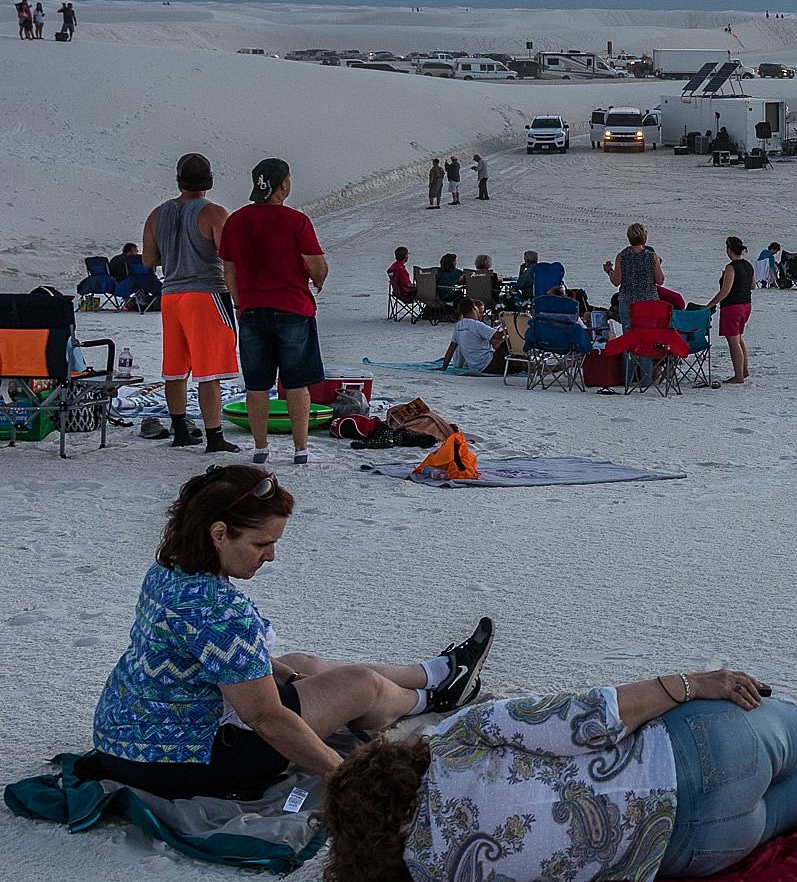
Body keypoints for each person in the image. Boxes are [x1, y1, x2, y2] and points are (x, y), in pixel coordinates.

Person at [321, 671, 797, 882]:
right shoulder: (455, 739)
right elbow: (585, 717)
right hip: (694, 751)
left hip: (690, 845)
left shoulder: (438, 872)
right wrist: (686, 683)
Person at [88, 466, 494, 800]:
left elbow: (201, 655)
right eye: (262, 543)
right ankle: (431, 696)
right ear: (218, 534)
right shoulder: (223, 612)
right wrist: (343, 775)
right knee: (359, 684)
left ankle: (437, 671)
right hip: (185, 761)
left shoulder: (167, 571)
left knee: (299, 665)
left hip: (122, 740)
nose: (271, 555)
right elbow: (266, 718)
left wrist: (291, 677)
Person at [217, 159, 326, 466]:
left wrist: (240, 304)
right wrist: (318, 279)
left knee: (256, 384)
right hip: (293, 307)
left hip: (252, 310)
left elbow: (229, 270)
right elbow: (315, 262)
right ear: (283, 185)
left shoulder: (236, 221)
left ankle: (261, 448)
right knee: (296, 383)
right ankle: (300, 449)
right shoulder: (297, 221)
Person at [141, 153, 240, 452]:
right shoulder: (213, 213)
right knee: (209, 371)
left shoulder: (157, 214)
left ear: (179, 179)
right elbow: (229, 257)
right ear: (208, 180)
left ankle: (180, 429)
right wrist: (237, 297)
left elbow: (148, 259)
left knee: (174, 367)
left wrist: (174, 253)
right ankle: (214, 437)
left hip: (171, 296)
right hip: (206, 294)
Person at [704, 236, 756, 384]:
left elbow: (724, 291)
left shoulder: (731, 267)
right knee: (739, 338)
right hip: (746, 305)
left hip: (732, 307)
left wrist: (709, 305)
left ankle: (738, 375)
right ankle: (744, 370)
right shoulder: (748, 265)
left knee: (733, 342)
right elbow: (753, 286)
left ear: (729, 250)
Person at [604, 223, 665, 336]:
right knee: (649, 337)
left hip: (628, 303)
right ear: (645, 237)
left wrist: (609, 271)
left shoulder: (621, 256)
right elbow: (660, 280)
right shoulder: (652, 256)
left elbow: (616, 281)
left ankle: (629, 354)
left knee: (629, 338)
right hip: (648, 303)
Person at [437, 297, 508, 374]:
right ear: (474, 308)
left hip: (476, 367)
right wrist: (511, 329)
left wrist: (444, 367)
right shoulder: (476, 325)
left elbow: (451, 349)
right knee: (510, 343)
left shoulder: (458, 326)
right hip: (490, 364)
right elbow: (499, 336)